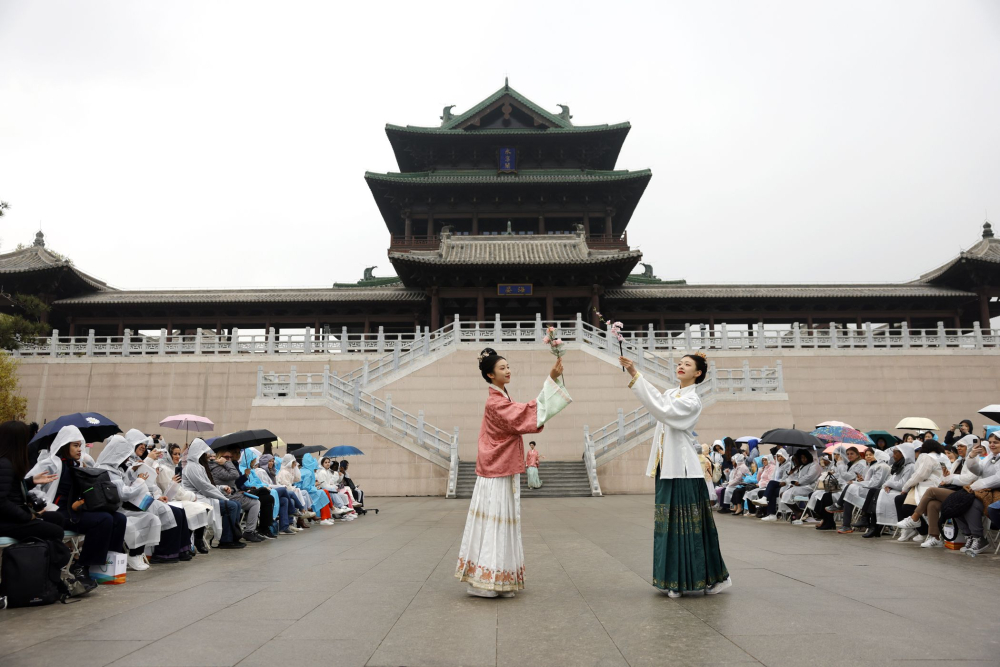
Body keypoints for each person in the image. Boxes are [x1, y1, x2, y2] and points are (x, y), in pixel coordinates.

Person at [456, 347, 571, 599]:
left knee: (504, 522)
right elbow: (524, 415)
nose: (508, 371)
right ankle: (484, 581)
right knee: (493, 522)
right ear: (490, 375)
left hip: (502, 467)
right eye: (502, 368)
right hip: (495, 471)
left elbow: (522, 413)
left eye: (508, 366)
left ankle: (502, 579)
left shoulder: (502, 399)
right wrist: (551, 381)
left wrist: (552, 380)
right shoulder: (495, 402)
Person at [619, 351, 731, 598]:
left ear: (698, 373)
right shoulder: (672, 394)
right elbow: (660, 401)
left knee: (690, 528)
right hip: (667, 468)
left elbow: (661, 409)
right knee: (668, 527)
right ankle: (674, 579)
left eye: (687, 364)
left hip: (683, 471)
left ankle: (705, 579)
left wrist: (635, 373)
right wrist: (633, 373)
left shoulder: (692, 402)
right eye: (679, 363)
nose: (680, 366)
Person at [27, 425, 127, 586]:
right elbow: (29, 486)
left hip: (75, 511)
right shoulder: (51, 463)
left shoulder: (77, 466)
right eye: (75, 445)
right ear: (65, 445)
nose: (79, 449)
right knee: (104, 520)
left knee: (119, 519)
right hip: (59, 512)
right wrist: (43, 505)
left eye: (80, 445)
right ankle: (81, 566)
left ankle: (107, 564)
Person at [181, 439, 245, 549]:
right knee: (231, 506)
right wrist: (222, 497)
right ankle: (226, 540)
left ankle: (233, 537)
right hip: (198, 498)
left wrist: (222, 488)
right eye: (204, 453)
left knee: (236, 504)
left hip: (204, 496)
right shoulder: (192, 467)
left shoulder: (198, 467)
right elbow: (205, 488)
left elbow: (208, 486)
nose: (206, 455)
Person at [955, 433, 1000, 554]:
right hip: (984, 491)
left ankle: (978, 537)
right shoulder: (990, 456)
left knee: (972, 503)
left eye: (995, 442)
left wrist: (978, 485)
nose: (991, 445)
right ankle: (969, 535)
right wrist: (972, 456)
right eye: (990, 442)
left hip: (995, 493)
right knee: (956, 502)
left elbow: (998, 478)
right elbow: (977, 470)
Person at [209, 449, 266, 542]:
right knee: (254, 503)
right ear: (219, 457)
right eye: (226, 457)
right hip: (223, 496)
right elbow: (235, 475)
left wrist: (237, 488)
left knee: (262, 498)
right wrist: (228, 463)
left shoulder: (226, 466)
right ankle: (247, 532)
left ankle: (250, 531)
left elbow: (234, 484)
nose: (229, 459)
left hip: (231, 493)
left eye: (230, 457)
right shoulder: (217, 468)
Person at [895, 441, 945, 543]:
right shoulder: (941, 456)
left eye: (918, 450)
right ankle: (909, 529)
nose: (917, 453)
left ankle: (922, 530)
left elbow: (920, 475)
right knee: (900, 500)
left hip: (928, 488)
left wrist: (905, 487)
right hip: (932, 487)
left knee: (906, 505)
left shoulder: (927, 456)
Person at [842, 448, 890, 534]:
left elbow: (874, 483)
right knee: (849, 489)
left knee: (850, 488)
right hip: (868, 489)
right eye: (866, 455)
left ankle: (845, 520)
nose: (868, 457)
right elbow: (868, 480)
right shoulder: (870, 466)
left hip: (875, 492)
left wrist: (857, 483)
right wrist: (861, 480)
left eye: (870, 455)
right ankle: (846, 524)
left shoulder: (880, 466)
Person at [875, 444, 916, 534]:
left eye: (895, 453)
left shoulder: (910, 466)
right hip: (895, 490)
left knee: (878, 493)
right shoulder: (900, 465)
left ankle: (876, 526)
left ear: (903, 453)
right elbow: (891, 480)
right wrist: (887, 485)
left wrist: (889, 484)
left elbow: (903, 484)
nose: (893, 456)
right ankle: (871, 523)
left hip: (904, 492)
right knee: (876, 492)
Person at [758, 448, 791, 521]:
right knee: (772, 490)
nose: (779, 458)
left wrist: (777, 482)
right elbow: (774, 477)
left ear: (784, 456)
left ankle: (764, 498)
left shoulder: (788, 464)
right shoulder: (778, 465)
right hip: (777, 485)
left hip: (785, 485)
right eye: (777, 456)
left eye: (780, 456)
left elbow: (786, 478)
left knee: (771, 482)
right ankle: (772, 514)